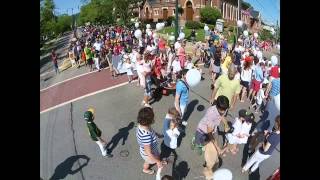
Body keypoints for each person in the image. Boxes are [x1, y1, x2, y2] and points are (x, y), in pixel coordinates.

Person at [136, 107, 164, 175]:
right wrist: (157, 162)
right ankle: (145, 169)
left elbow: (151, 130)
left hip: (150, 150)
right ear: (149, 121)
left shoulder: (141, 125)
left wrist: (157, 134)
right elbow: (148, 153)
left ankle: (158, 159)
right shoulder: (146, 135)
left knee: (155, 157)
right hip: (149, 154)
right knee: (147, 162)